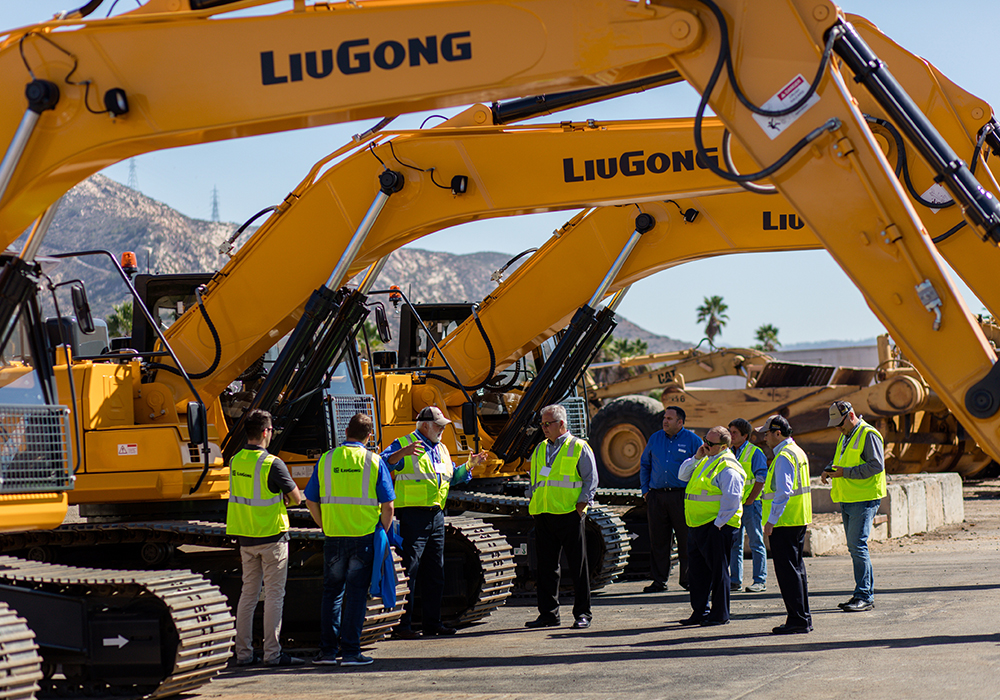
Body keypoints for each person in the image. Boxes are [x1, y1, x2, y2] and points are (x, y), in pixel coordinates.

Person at [381, 406, 487, 638]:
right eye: (439, 425)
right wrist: (403, 453)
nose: (442, 429)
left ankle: (432, 623)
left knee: (435, 572)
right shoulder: (404, 443)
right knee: (411, 570)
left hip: (436, 515)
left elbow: (450, 478)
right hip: (412, 516)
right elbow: (382, 464)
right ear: (425, 425)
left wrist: (470, 466)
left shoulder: (441, 448)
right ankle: (403, 626)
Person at [304, 413, 394, 667]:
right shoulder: (373, 461)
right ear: (369, 436)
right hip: (363, 537)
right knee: (355, 595)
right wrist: (382, 533)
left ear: (346, 432)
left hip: (334, 536)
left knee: (332, 593)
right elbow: (388, 506)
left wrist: (325, 524)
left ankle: (327, 652)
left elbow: (311, 499)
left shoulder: (326, 459)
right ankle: (352, 652)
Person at [226, 409, 304, 667]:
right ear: (265, 432)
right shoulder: (272, 463)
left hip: (246, 537)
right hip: (272, 537)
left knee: (248, 595)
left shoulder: (236, 460)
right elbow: (296, 498)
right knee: (273, 595)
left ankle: (244, 654)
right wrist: (284, 500)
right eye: (271, 431)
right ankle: (272, 654)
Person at [524, 404, 599, 630]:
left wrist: (581, 506)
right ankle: (548, 614)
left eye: (548, 424)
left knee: (578, 567)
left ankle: (582, 614)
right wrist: (532, 498)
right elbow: (535, 480)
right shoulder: (539, 449)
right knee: (546, 568)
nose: (544, 428)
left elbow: (590, 478)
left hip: (568, 513)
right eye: (542, 424)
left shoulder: (579, 447)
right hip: (544, 513)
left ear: (562, 424)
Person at [821, 400, 886, 613]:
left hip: (863, 498)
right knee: (854, 546)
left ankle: (864, 595)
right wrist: (829, 470)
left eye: (840, 424)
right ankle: (862, 593)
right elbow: (842, 460)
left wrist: (844, 473)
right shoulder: (846, 435)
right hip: (848, 498)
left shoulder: (869, 434)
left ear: (850, 416)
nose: (838, 429)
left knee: (857, 546)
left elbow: (876, 465)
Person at [677, 425, 744, 627]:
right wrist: (697, 457)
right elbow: (682, 475)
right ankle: (700, 611)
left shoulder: (728, 466)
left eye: (710, 443)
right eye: (705, 439)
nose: (705, 444)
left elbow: (732, 498)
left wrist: (718, 524)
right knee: (697, 573)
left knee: (718, 572)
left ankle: (719, 614)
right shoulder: (706, 460)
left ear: (723, 446)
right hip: (697, 524)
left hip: (716, 526)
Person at [757, 415, 813, 634]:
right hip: (797, 519)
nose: (764, 437)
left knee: (788, 573)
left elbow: (783, 492)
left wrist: (771, 520)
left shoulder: (783, 456)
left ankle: (797, 620)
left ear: (777, 433)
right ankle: (802, 617)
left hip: (784, 521)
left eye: (766, 433)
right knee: (797, 570)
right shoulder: (797, 452)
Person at [639, 405, 702, 593]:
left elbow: (700, 467)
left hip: (681, 497)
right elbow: (645, 464)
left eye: (669, 418)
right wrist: (645, 491)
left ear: (680, 422)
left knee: (686, 540)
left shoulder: (693, 440)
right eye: (664, 417)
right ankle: (659, 581)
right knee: (658, 541)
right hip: (657, 497)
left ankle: (689, 580)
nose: (665, 421)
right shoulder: (655, 438)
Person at [728, 418, 768, 593]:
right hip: (734, 505)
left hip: (750, 505)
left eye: (734, 432)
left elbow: (761, 478)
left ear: (745, 435)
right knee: (734, 543)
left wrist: (751, 499)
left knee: (756, 542)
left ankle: (760, 581)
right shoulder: (728, 452)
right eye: (730, 432)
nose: (731, 435)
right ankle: (734, 580)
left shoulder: (755, 452)